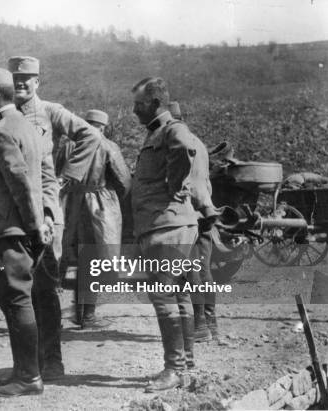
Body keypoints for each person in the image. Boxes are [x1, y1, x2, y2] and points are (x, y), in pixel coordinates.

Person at [7, 56, 102, 377]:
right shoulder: (4, 116)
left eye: (27, 79)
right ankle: (28, 364)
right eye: (16, 79)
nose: (21, 84)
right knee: (18, 290)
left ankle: (52, 360)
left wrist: (67, 178)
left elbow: (90, 136)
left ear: (37, 82)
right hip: (15, 215)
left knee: (45, 288)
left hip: (46, 213)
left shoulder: (50, 111)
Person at [130, 77, 218, 392]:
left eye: (139, 104)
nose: (135, 110)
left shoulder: (170, 129)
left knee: (164, 296)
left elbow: (184, 147)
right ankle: (186, 365)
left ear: (155, 103)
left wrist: (174, 184)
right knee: (179, 295)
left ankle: (173, 369)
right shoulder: (156, 132)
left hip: (167, 227)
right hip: (167, 226)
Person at [0, 66, 51, 397]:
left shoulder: (3, 129)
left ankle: (29, 377)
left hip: (11, 230)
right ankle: (24, 371)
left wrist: (33, 228)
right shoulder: (25, 125)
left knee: (16, 297)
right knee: (15, 297)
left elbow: (20, 182)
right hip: (19, 227)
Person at [59, 109, 132, 327]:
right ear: (103, 127)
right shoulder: (108, 146)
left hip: (69, 205)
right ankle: (87, 316)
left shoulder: (67, 146)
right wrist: (112, 198)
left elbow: (55, 174)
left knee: (64, 259)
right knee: (92, 262)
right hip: (98, 209)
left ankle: (56, 317)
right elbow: (124, 181)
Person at [168, 101, 220, 343]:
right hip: (206, 209)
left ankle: (200, 325)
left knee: (192, 270)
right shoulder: (198, 141)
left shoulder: (175, 142)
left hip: (190, 211)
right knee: (203, 268)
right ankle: (210, 322)